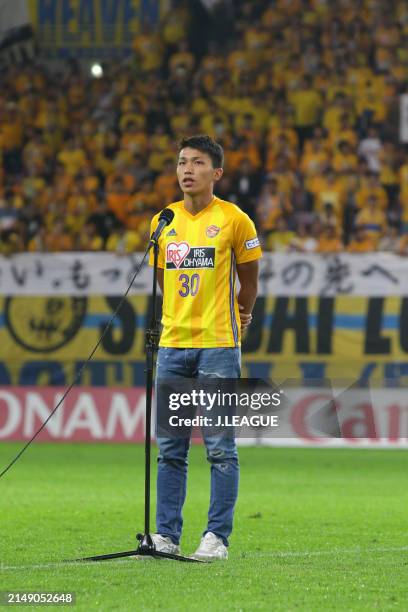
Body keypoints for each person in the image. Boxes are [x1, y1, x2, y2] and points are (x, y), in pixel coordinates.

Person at [148, 134, 262, 561]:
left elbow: (249, 282)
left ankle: (217, 538)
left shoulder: (235, 220)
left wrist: (242, 315)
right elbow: (163, 282)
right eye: (181, 162)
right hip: (172, 346)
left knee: (218, 446)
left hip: (217, 346)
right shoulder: (162, 222)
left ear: (216, 172)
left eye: (196, 162)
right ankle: (166, 536)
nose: (186, 170)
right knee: (171, 448)